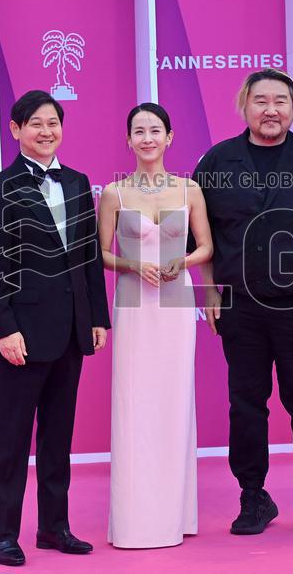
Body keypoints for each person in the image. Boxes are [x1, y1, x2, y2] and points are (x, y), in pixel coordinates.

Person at [192, 69, 293, 536]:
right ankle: (253, 496)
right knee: (246, 404)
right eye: (261, 101)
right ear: (244, 106)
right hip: (240, 306)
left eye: (280, 101)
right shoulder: (217, 161)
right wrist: (209, 291)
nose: (271, 109)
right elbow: (203, 235)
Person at [0, 90, 110, 566]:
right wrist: (4, 329)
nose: (46, 131)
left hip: (71, 330)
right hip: (22, 334)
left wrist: (96, 317)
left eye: (53, 123)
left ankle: (54, 526)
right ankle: (4, 533)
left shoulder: (77, 182)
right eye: (36, 123)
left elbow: (89, 256)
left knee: (58, 435)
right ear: (15, 129)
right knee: (10, 437)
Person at [98, 103, 213, 548]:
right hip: (132, 303)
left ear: (169, 137)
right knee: (134, 403)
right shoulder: (114, 194)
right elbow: (98, 252)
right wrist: (131, 264)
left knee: (173, 398)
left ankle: (175, 513)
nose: (147, 138)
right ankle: (134, 519)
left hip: (176, 302)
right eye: (138, 131)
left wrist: (178, 262)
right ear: (128, 140)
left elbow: (205, 247)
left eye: (155, 130)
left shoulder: (189, 190)